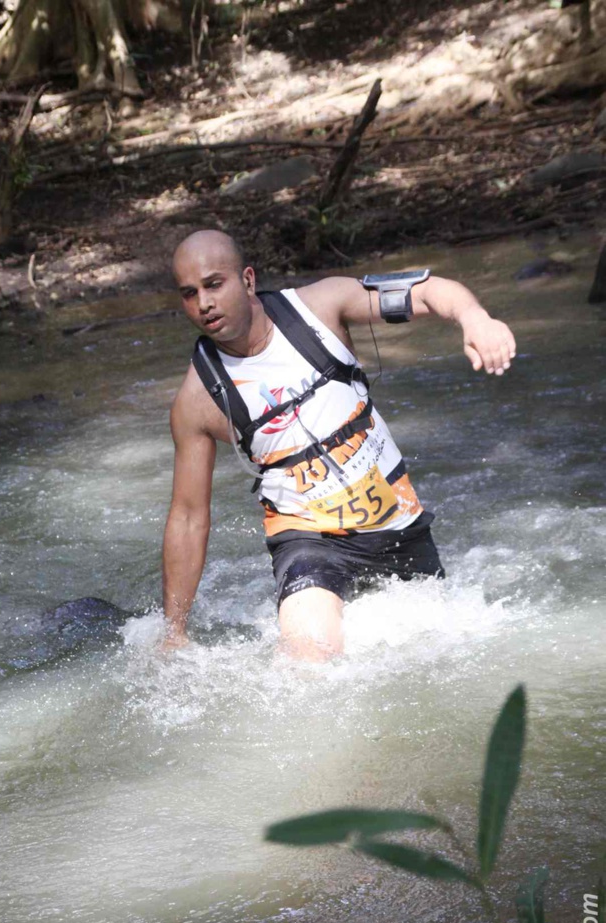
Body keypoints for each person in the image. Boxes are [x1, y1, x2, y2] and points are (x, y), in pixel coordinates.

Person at [161, 229, 516, 659]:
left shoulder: (321, 306)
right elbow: (187, 517)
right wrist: (173, 631)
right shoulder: (198, 399)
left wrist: (474, 318)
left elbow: (425, 290)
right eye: (189, 293)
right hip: (309, 541)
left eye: (214, 284)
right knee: (310, 656)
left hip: (398, 524)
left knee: (447, 653)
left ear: (248, 280)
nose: (203, 304)